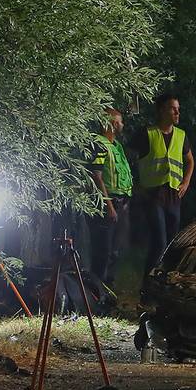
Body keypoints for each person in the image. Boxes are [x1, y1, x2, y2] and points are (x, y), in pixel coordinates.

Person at [133, 94, 194, 273]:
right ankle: (147, 283)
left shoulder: (181, 135)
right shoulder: (147, 133)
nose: (177, 112)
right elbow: (127, 160)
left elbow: (190, 160)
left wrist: (186, 183)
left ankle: (164, 280)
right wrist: (136, 186)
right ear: (161, 111)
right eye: (173, 108)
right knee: (159, 242)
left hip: (174, 195)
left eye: (178, 109)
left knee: (171, 243)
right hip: (152, 195)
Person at [88, 108, 133, 303]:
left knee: (116, 251)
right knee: (103, 252)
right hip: (109, 204)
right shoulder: (99, 144)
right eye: (120, 122)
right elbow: (96, 176)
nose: (122, 125)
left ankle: (108, 293)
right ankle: (96, 296)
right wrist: (109, 206)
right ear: (113, 124)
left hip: (122, 203)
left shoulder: (116, 146)